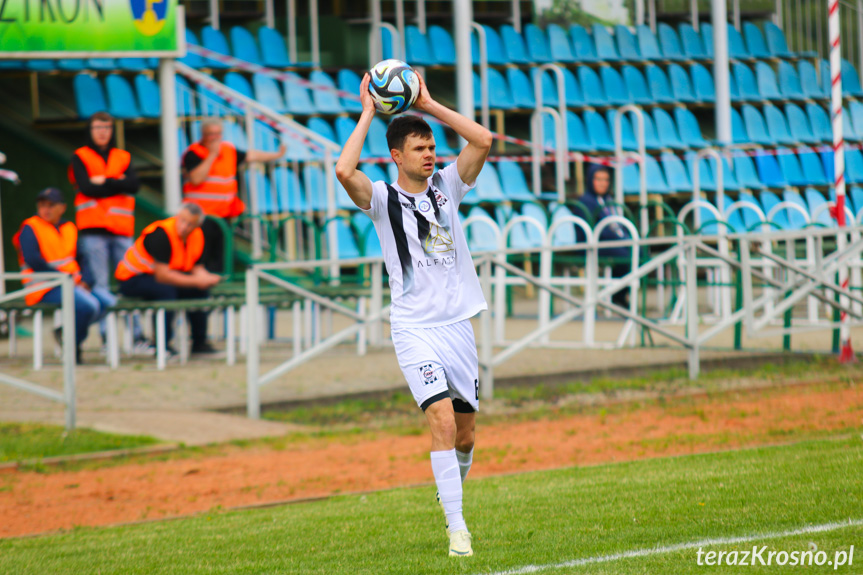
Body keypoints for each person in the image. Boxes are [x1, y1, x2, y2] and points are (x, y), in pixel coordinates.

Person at [336, 72, 493, 557]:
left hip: (457, 326)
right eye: (418, 147)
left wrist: (427, 102)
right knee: (442, 423)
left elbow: (483, 139)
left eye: (431, 145)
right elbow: (344, 172)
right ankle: (457, 527)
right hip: (413, 329)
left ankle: (450, 486)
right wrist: (368, 112)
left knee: (465, 437)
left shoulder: (449, 186)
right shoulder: (383, 199)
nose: (429, 153)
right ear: (396, 157)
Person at [68, 111, 150, 353]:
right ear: (90, 130)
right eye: (97, 127)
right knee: (101, 286)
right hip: (93, 232)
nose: (102, 132)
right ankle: (107, 339)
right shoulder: (80, 156)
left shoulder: (123, 156)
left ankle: (137, 337)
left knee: (131, 281)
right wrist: (117, 182)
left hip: (122, 231)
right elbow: (86, 188)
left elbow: (134, 185)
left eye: (106, 127)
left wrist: (104, 181)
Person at [12, 188, 115, 364]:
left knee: (107, 302)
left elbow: (82, 259)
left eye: (51, 205)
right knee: (88, 306)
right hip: (42, 288)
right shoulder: (30, 227)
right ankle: (72, 348)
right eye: (42, 205)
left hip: (71, 284)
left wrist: (87, 281)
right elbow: (33, 260)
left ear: (62, 208)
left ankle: (65, 332)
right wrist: (66, 279)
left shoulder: (69, 228)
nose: (46, 209)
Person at [115, 203, 222, 356]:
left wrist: (207, 279)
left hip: (159, 278)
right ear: (177, 216)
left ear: (198, 225)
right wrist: (198, 281)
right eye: (182, 220)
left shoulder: (198, 236)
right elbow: (163, 276)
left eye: (190, 224)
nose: (184, 227)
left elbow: (197, 267)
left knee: (200, 291)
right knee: (166, 292)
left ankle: (200, 343)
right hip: (132, 279)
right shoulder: (160, 234)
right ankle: (161, 345)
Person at [181, 118, 286, 273]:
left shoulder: (229, 150)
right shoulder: (193, 153)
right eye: (211, 134)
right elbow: (196, 178)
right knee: (201, 257)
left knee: (222, 256)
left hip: (225, 216)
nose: (215, 138)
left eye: (218, 134)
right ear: (203, 135)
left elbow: (251, 156)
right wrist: (211, 156)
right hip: (201, 217)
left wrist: (277, 155)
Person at [578, 165, 632, 308]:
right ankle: (617, 296)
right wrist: (620, 240)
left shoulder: (609, 200)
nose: (603, 183)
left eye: (606, 180)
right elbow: (596, 231)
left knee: (640, 252)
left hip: (613, 242)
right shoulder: (585, 202)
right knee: (624, 255)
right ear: (590, 180)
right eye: (598, 179)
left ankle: (623, 292)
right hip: (593, 245)